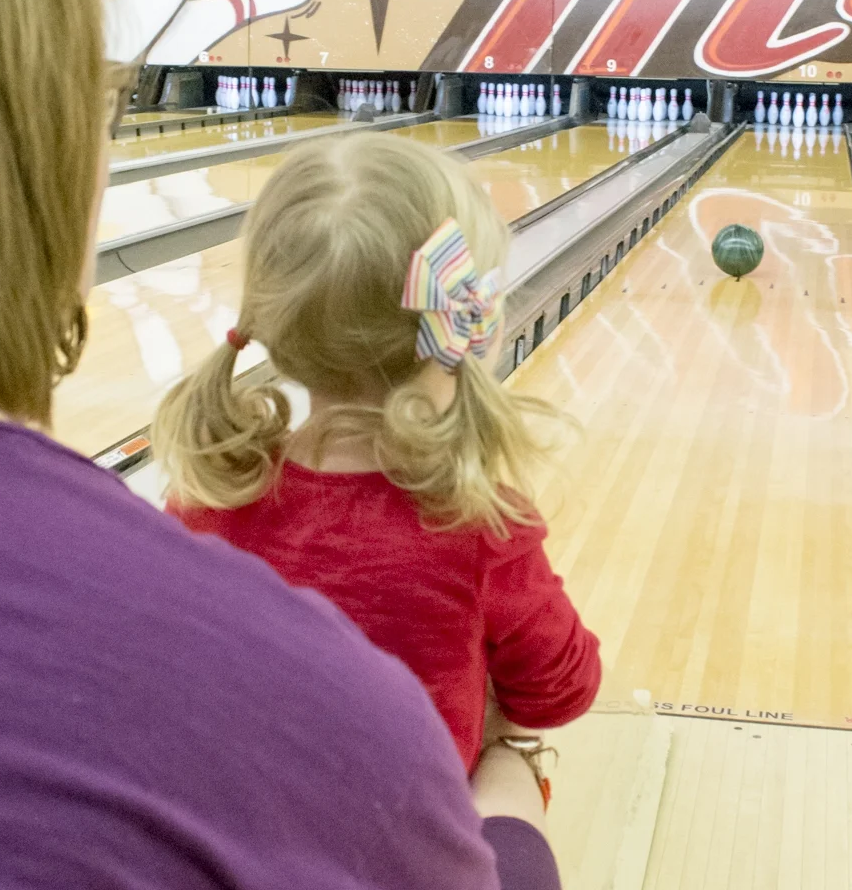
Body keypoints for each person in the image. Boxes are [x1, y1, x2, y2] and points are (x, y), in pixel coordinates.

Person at [0, 0, 559, 887]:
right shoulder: (332, 708)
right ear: (55, 169)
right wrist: (513, 803)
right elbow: (554, 682)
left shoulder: (210, 501)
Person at [153, 131, 602, 782]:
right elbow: (563, 689)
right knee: (516, 761)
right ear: (472, 324)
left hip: (236, 842)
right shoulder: (479, 525)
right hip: (407, 853)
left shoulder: (207, 492)